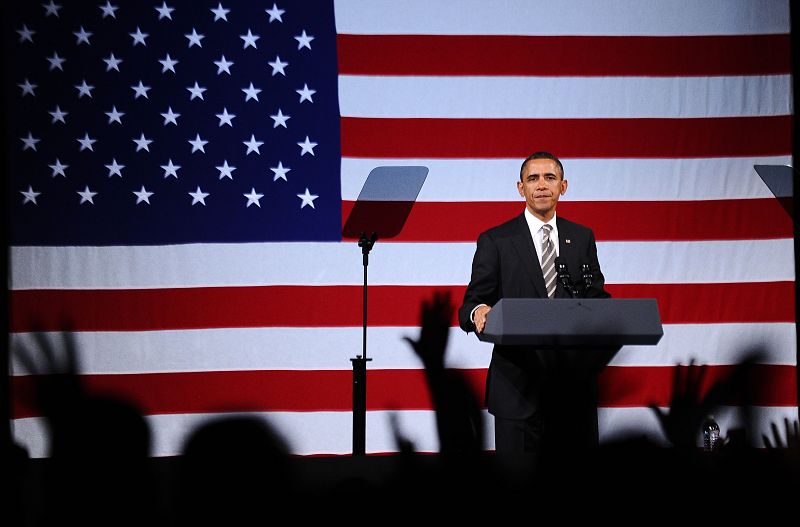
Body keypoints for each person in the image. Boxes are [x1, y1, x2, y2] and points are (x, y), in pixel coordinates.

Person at [458, 151, 611, 459]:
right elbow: (472, 303)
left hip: (572, 390)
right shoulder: (496, 240)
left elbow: (595, 296)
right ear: (521, 188)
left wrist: (607, 315)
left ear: (563, 186)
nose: (542, 185)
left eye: (550, 177)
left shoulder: (582, 237)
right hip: (517, 390)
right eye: (533, 178)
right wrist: (479, 312)